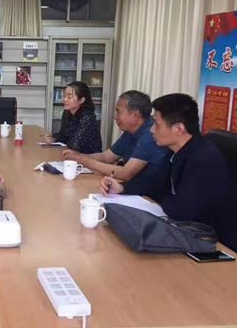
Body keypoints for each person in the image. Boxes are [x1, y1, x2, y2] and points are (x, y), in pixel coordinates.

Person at [99, 94, 237, 251]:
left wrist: (163, 197)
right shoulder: (175, 149)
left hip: (214, 242)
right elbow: (154, 183)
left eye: (156, 124)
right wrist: (122, 188)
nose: (152, 129)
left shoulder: (203, 159)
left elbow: (181, 211)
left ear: (178, 129)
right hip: (185, 231)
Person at [63, 90, 169, 184]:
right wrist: (78, 155)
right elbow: (107, 157)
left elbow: (126, 173)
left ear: (135, 115)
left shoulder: (150, 134)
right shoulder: (130, 131)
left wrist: (83, 160)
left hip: (148, 195)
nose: (115, 116)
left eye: (118, 111)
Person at [44, 81, 102, 154]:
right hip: (73, 155)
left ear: (81, 100)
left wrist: (63, 140)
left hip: (89, 157)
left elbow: (75, 146)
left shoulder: (87, 117)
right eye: (64, 95)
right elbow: (63, 134)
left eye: (69, 97)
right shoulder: (68, 112)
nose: (65, 99)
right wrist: (53, 138)